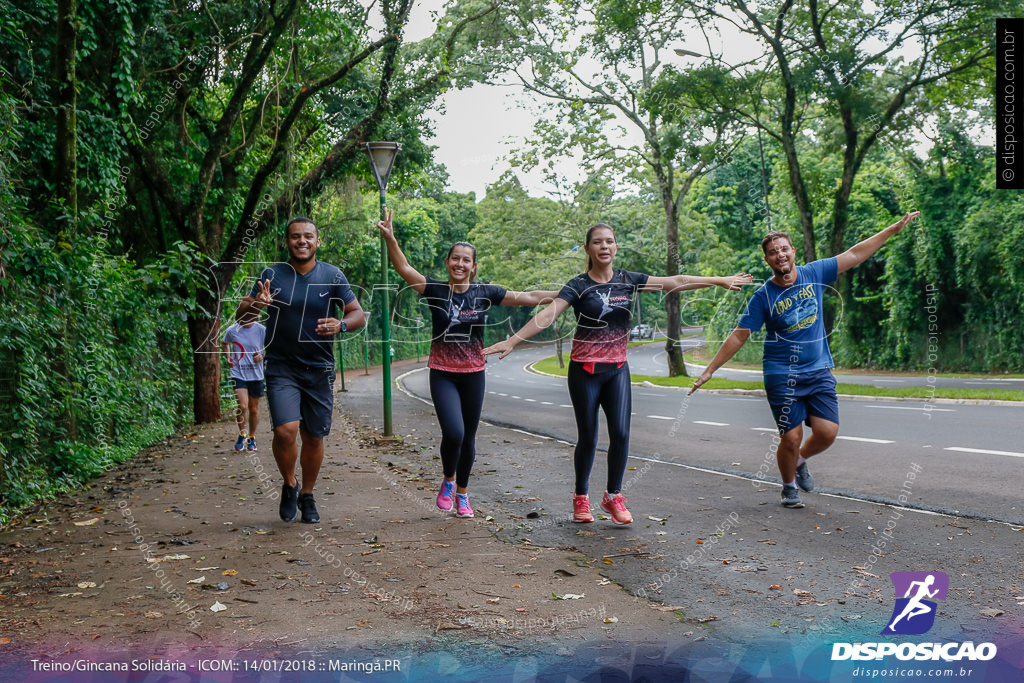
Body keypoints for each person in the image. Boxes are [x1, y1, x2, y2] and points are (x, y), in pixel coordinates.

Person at [483, 223, 752, 525]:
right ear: (588, 249)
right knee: (588, 437)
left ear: (616, 247)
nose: (604, 247)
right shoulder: (578, 285)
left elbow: (676, 281)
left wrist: (718, 280)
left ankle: (613, 496)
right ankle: (581, 498)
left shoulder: (629, 281)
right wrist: (512, 340)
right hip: (584, 372)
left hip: (617, 370)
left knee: (621, 435)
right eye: (597, 242)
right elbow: (548, 314)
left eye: (609, 241)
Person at [690, 211, 921, 508]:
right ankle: (788, 487)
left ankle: (799, 462)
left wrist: (892, 229)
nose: (780, 255)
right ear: (768, 260)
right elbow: (739, 335)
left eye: (784, 249)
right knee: (791, 435)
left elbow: (855, 254)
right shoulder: (763, 296)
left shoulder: (815, 272)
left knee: (828, 432)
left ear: (793, 252)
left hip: (818, 369)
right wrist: (710, 370)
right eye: (773, 253)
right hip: (781, 373)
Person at [377, 209, 558, 518]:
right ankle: (448, 480)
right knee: (455, 433)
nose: (460, 264)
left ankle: (463, 494)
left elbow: (528, 296)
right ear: (448, 263)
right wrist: (391, 239)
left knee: (469, 436)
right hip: (443, 373)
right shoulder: (435, 291)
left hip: (474, 374)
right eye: (455, 258)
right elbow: (404, 268)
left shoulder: (485, 293)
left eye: (466, 260)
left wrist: (569, 294)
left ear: (474, 267)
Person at [235, 217, 366, 524]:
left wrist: (342, 324)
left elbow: (358, 313)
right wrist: (257, 303)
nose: (302, 241)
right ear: (288, 242)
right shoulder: (272, 274)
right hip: (282, 366)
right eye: (296, 237)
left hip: (319, 367)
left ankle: (307, 494)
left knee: (314, 436)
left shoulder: (332, 275)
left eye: (308, 236)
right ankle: (289, 483)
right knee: (285, 431)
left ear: (317, 241)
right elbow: (242, 317)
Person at [222, 318, 266, 452]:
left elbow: (272, 346)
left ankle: (252, 437)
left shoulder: (261, 330)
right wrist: (228, 356)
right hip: (238, 373)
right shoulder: (232, 330)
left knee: (253, 408)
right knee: (242, 405)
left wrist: (262, 355)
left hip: (255, 374)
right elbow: (225, 343)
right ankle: (242, 434)